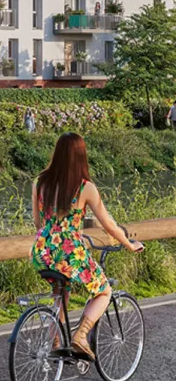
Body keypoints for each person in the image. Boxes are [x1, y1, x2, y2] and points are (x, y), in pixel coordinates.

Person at [31, 133, 144, 360]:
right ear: (81, 156)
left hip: (41, 250)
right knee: (104, 291)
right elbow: (109, 225)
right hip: (69, 252)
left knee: (61, 292)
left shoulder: (39, 182)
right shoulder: (85, 188)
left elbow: (37, 222)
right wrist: (129, 245)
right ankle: (81, 336)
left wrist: (55, 235)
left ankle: (54, 341)